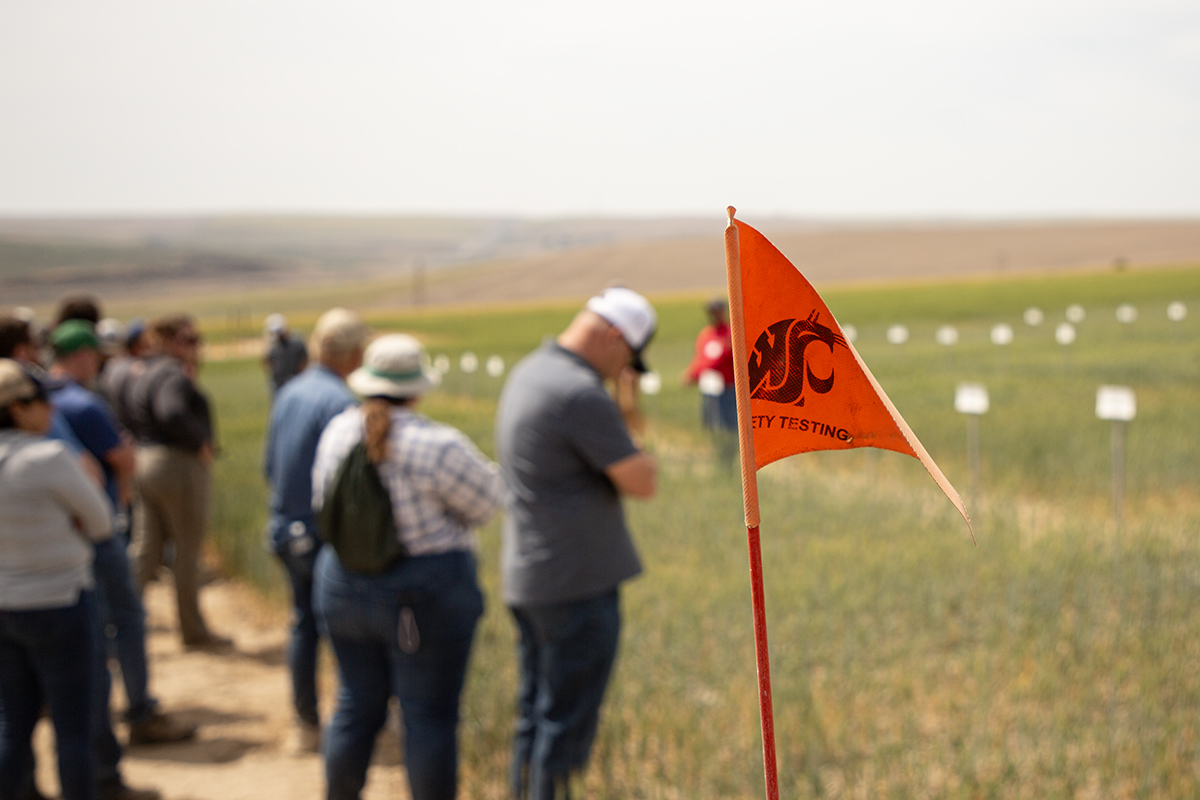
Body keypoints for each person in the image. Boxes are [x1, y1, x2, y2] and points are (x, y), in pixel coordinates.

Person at [312, 333, 504, 800]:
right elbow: (488, 503)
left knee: (354, 707)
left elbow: (320, 501)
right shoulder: (435, 444)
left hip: (342, 586)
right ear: (417, 387)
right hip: (420, 599)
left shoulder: (337, 431)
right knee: (428, 717)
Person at [495, 286, 659, 800]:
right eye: (628, 358)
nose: (622, 370)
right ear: (614, 338)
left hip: (532, 575)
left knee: (535, 717)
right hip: (575, 585)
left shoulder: (532, 372)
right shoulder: (578, 393)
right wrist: (626, 407)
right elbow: (643, 481)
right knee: (565, 730)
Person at [46, 321, 196, 764]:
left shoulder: (42, 401)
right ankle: (138, 712)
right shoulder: (80, 403)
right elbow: (119, 457)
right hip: (96, 527)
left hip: (52, 541)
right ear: (82, 355)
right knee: (125, 619)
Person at [0, 359, 113, 800]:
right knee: (72, 733)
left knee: (13, 725)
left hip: (4, 606)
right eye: (40, 400)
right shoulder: (48, 458)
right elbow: (101, 522)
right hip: (59, 602)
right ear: (17, 408)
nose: (49, 410)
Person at [262, 308, 369, 753]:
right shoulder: (340, 403)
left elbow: (270, 465)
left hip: (285, 528)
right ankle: (354, 726)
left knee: (303, 625)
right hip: (321, 536)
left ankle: (306, 722)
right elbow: (349, 490)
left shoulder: (290, 392)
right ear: (352, 353)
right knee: (349, 633)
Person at [126, 315, 227, 649]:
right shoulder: (172, 373)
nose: (195, 347)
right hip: (175, 465)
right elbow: (171, 412)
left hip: (145, 462)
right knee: (187, 549)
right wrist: (202, 443)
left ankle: (121, 621)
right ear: (167, 341)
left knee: (146, 548)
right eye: (188, 340)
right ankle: (193, 631)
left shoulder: (144, 370)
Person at [683, 298, 737, 433]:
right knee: (711, 424)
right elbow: (701, 358)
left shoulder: (731, 333)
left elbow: (721, 357)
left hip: (728, 387)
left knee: (730, 425)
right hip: (709, 388)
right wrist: (692, 373)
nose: (714, 314)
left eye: (717, 311)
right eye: (712, 311)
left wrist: (697, 372)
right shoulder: (706, 334)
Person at [264, 313, 309, 397]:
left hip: (295, 383)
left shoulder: (296, 344)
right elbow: (268, 363)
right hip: (278, 385)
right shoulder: (273, 347)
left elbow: (304, 361)